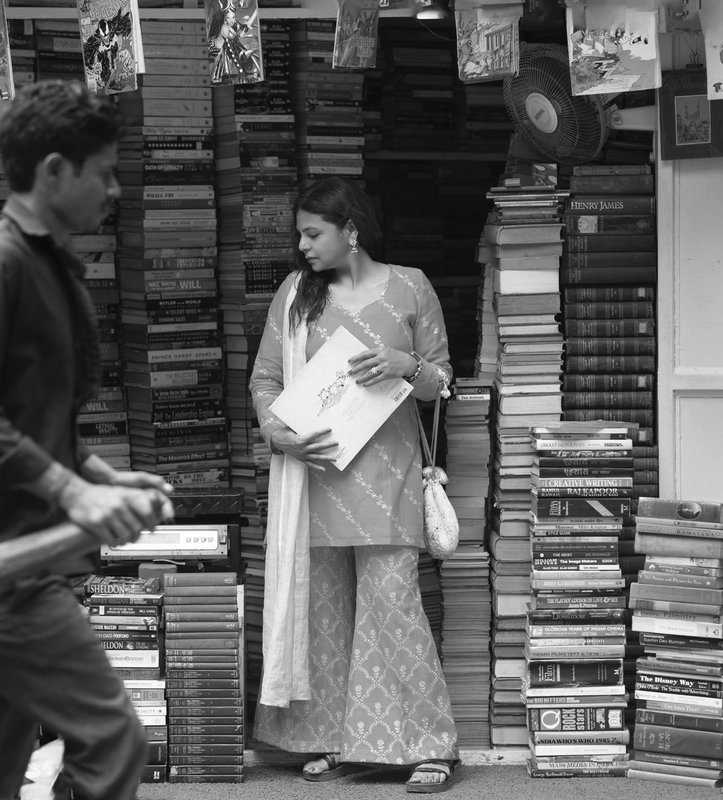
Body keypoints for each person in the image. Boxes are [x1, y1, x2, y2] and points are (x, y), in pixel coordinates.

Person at [0, 80, 174, 800]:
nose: (113, 190)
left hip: (24, 557)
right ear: (54, 172)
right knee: (112, 741)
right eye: (102, 172)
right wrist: (72, 489)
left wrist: (99, 478)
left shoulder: (47, 263)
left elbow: (34, 420)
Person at [250, 176, 459, 793]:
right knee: (324, 613)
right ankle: (331, 739)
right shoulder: (296, 296)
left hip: (387, 475)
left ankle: (430, 746)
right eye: (300, 235)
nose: (304, 246)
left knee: (393, 604)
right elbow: (265, 379)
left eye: (314, 233)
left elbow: (442, 380)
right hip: (312, 478)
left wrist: (408, 365)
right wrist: (276, 432)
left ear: (351, 230)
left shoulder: (410, 287)